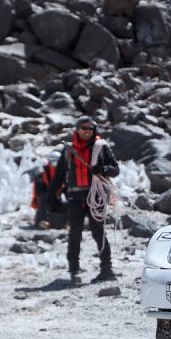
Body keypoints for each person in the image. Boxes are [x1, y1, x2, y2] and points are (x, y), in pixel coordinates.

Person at [48, 117, 119, 286]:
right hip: (74, 197)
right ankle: (74, 270)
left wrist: (103, 169)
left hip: (96, 196)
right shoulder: (68, 150)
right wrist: (52, 196)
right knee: (75, 235)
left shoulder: (101, 147)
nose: (87, 131)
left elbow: (115, 169)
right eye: (84, 128)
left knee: (98, 232)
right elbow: (58, 176)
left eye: (91, 128)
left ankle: (107, 269)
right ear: (77, 129)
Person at [31, 153, 65, 229]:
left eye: (57, 162)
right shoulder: (41, 175)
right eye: (53, 162)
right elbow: (38, 192)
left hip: (60, 197)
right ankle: (41, 221)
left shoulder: (64, 172)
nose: (55, 165)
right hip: (47, 198)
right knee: (44, 197)